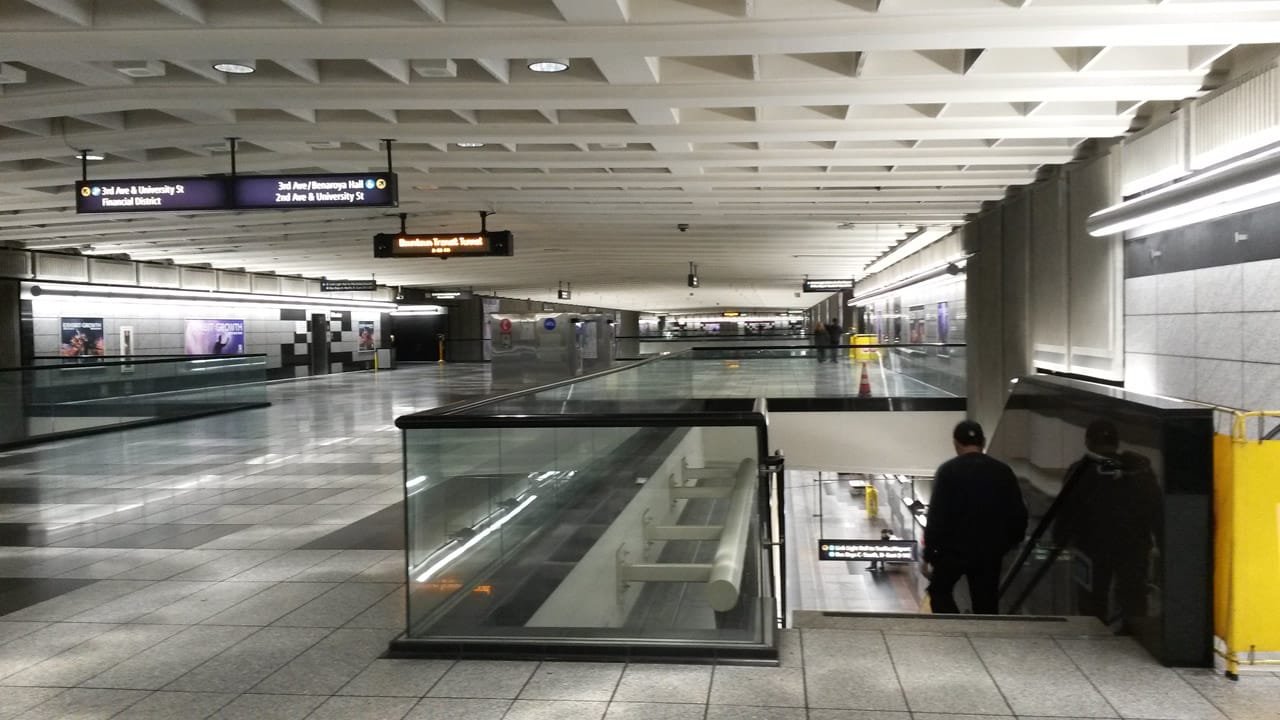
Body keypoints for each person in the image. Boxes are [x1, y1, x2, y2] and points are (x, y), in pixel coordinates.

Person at [1052, 419, 1161, 631]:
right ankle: (1133, 636)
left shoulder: (1081, 470)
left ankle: (1095, 637)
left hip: (1091, 548)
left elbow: (1066, 509)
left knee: (1092, 599)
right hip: (1133, 547)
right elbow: (1155, 507)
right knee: (1133, 596)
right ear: (1117, 442)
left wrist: (1059, 540)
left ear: (1088, 442)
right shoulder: (1139, 470)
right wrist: (1159, 541)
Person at [923, 420, 1028, 614]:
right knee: (986, 603)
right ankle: (982, 631)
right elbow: (1018, 513)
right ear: (983, 442)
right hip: (989, 552)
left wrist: (929, 554)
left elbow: (937, 516)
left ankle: (955, 627)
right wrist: (1009, 544)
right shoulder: (1002, 471)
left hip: (952, 551)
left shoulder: (948, 471)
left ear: (956, 443)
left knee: (939, 591)